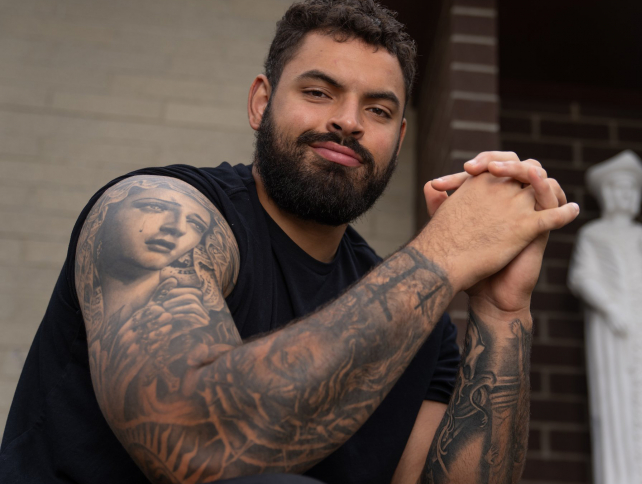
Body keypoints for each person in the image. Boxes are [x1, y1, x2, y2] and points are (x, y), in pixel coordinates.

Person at [0, 1, 579, 483]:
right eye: (320, 92)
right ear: (261, 101)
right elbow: (191, 440)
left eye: (377, 109)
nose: (349, 122)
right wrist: (445, 252)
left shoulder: (422, 324)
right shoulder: (157, 213)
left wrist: (502, 311)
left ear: (398, 139)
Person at [567, 150, 642, 484]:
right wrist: (611, 307)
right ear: (605, 194)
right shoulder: (594, 235)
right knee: (618, 404)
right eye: (619, 188)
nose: (626, 196)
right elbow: (582, 277)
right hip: (615, 331)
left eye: (632, 189)